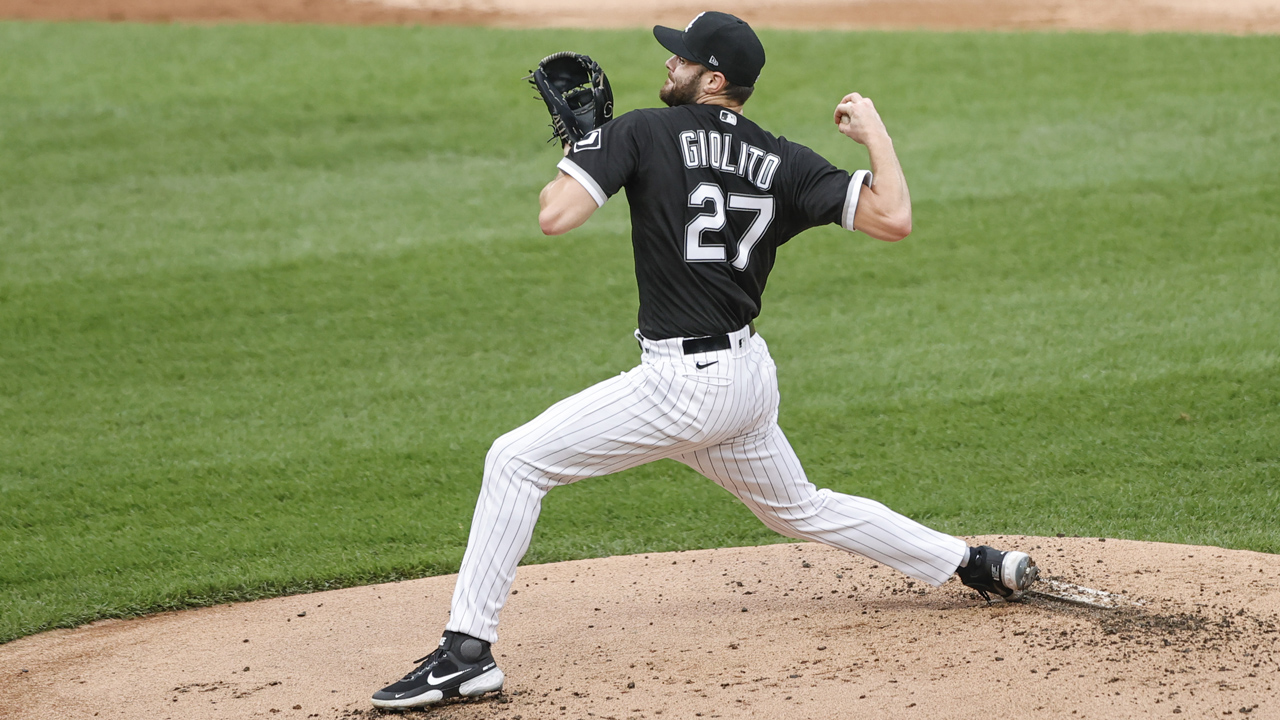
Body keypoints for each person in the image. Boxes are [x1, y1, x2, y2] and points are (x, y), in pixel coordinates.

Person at [371, 11, 1038, 710]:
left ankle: (467, 653)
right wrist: (877, 136)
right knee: (800, 508)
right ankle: (975, 563)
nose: (668, 64)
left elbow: (555, 215)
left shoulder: (639, 130)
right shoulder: (781, 157)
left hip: (681, 387)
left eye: (681, 58)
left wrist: (587, 146)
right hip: (745, 381)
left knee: (515, 460)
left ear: (712, 78)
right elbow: (892, 218)